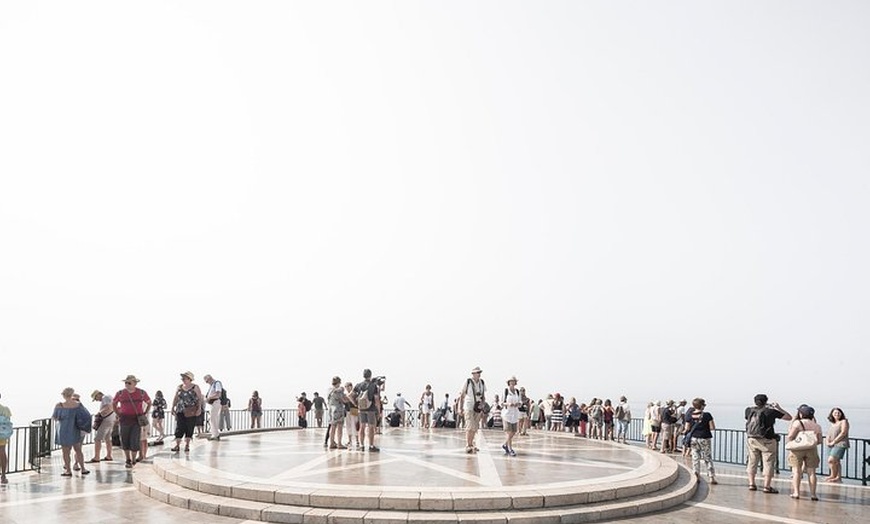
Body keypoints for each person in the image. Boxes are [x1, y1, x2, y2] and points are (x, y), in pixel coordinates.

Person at [745, 393, 792, 494]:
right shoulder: (771, 411)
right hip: (768, 440)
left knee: (752, 462)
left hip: (752, 439)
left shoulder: (749, 410)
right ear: (766, 401)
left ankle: (751, 484)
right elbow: (789, 417)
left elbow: (747, 419)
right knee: (769, 463)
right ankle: (767, 486)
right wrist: (778, 408)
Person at [113, 375, 151, 469]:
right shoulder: (120, 393)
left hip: (136, 420)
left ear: (135, 383)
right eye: (126, 382)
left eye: (129, 383)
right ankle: (128, 459)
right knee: (124, 440)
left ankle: (133, 459)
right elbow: (114, 403)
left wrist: (145, 412)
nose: (126, 384)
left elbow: (149, 402)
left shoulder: (141, 393)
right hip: (124, 419)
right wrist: (118, 413)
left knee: (134, 440)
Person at [786, 404, 823, 500]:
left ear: (801, 414)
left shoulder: (798, 423)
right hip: (812, 449)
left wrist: (791, 442)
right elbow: (819, 441)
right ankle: (813, 494)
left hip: (797, 449)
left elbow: (790, 436)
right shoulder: (817, 426)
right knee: (812, 472)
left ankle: (796, 493)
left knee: (796, 471)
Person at [53, 387, 92, 477]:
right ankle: (83, 468)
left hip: (63, 430)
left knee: (65, 452)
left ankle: (68, 470)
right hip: (74, 429)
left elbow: (55, 417)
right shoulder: (78, 405)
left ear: (63, 395)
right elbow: (86, 415)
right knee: (78, 450)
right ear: (72, 394)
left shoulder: (59, 405)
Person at [683, 398, 717, 485]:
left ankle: (696, 475)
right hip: (705, 438)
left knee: (695, 458)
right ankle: (711, 477)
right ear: (702, 406)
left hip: (694, 438)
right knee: (707, 458)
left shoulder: (690, 415)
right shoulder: (707, 415)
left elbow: (687, 428)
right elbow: (712, 427)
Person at [170, 371, 203, 453]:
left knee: (189, 427)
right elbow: (176, 397)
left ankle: (187, 445)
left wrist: (199, 408)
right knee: (179, 427)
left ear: (189, 379)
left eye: (184, 378)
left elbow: (199, 398)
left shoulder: (195, 387)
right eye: (182, 378)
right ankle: (177, 445)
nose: (183, 380)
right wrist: (172, 407)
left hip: (191, 410)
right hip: (180, 410)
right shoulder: (179, 387)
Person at [353, 369, 381, 452]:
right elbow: (376, 399)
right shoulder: (373, 386)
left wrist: (355, 403)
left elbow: (350, 395)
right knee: (371, 427)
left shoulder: (358, 385)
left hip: (361, 408)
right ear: (370, 375)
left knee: (362, 426)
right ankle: (371, 445)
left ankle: (361, 445)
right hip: (371, 408)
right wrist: (378, 410)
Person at [459, 366, 486, 453]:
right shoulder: (468, 382)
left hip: (477, 408)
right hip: (469, 406)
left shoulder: (482, 383)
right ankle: (468, 444)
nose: (479, 374)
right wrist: (460, 408)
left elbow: (483, 396)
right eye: (477, 373)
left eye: (479, 373)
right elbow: (462, 395)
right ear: (473, 374)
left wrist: (482, 406)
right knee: (469, 426)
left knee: (475, 427)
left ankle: (472, 444)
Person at [87, 390, 115, 463]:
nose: (97, 400)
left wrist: (99, 413)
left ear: (99, 394)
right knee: (108, 438)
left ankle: (97, 457)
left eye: (96, 398)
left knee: (97, 439)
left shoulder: (105, 398)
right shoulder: (109, 397)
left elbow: (108, 407)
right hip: (112, 419)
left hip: (106, 420)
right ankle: (109, 455)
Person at [825, 407, 849, 483]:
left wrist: (834, 441)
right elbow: (828, 434)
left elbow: (843, 433)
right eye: (835, 413)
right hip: (831, 444)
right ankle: (836, 476)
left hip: (840, 443)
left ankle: (835, 476)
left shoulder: (844, 421)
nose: (837, 414)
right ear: (832, 414)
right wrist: (827, 441)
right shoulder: (833, 423)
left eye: (838, 412)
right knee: (835, 461)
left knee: (831, 459)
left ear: (841, 413)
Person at [326, 376, 348, 449]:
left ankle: (331, 443)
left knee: (332, 427)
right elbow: (343, 400)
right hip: (338, 410)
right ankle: (339, 444)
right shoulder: (338, 391)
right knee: (340, 427)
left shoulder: (329, 390)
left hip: (331, 410)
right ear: (338, 382)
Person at [501, 377, 520, 456]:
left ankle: (505, 444)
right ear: (508, 383)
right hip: (507, 414)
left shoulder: (517, 392)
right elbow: (502, 403)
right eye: (511, 381)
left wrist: (518, 404)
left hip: (515, 414)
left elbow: (520, 401)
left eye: (514, 381)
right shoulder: (505, 391)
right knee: (509, 432)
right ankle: (510, 449)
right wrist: (509, 404)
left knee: (514, 431)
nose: (512, 383)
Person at [203, 374, 224, 440]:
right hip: (212, 403)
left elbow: (218, 394)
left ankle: (215, 435)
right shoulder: (212, 385)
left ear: (210, 378)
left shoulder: (217, 383)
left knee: (213, 418)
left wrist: (209, 398)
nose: (207, 383)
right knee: (213, 418)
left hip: (215, 402)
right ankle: (214, 434)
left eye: (207, 381)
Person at [343, 382, 360, 448]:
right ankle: (349, 441)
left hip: (354, 410)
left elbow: (356, 402)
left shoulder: (355, 394)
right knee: (348, 426)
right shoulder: (346, 394)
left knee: (355, 425)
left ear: (351, 386)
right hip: (347, 410)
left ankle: (357, 440)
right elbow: (345, 401)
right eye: (346, 387)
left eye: (347, 386)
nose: (346, 388)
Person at [0, 393, 12, 484]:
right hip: (2, 434)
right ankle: (3, 476)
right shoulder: (5, 409)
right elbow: (8, 420)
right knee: (2, 453)